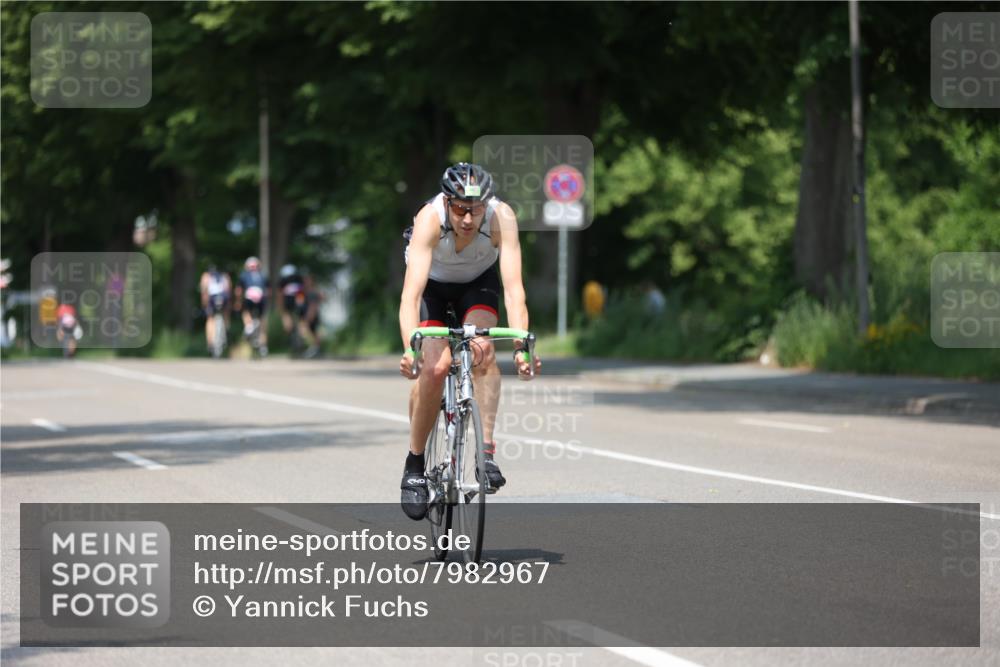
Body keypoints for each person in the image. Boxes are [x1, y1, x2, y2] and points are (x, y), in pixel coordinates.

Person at [397, 162, 541, 520]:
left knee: (483, 350)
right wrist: (408, 349)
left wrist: (523, 348)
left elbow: (513, 291)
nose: (467, 218)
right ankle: (415, 465)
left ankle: (486, 454)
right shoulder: (429, 219)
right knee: (436, 366)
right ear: (447, 202)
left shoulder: (501, 218)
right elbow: (410, 298)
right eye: (460, 208)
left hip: (478, 283)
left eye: (475, 209)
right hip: (432, 286)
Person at [279, 263, 318, 357]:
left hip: (292, 305)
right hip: (298, 304)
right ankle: (309, 345)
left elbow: (280, 296)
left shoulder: (284, 282)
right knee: (301, 324)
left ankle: (306, 345)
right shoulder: (299, 280)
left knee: (294, 323)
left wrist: (282, 310)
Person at [234, 256, 269, 357]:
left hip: (249, 297)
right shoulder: (262, 275)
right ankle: (263, 346)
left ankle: (249, 326)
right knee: (262, 322)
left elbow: (239, 291)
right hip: (261, 299)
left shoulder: (244, 275)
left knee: (245, 312)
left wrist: (238, 302)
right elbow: (268, 291)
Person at [199, 264, 232, 354]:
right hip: (224, 298)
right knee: (225, 314)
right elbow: (228, 290)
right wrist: (229, 305)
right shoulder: (224, 276)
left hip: (212, 299)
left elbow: (204, 291)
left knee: (210, 319)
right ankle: (227, 329)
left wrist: (204, 304)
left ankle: (210, 342)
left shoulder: (206, 276)